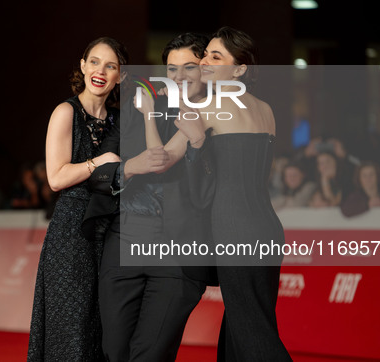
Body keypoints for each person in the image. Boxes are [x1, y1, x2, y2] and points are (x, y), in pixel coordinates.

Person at [171, 26, 292, 361]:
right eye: (205, 54)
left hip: (235, 229)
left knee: (253, 330)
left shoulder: (209, 106)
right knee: (247, 323)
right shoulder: (266, 109)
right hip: (268, 228)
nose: (204, 62)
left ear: (239, 69)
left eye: (215, 56)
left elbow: (165, 159)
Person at [93, 33, 215, 362]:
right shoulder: (141, 102)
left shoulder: (220, 109)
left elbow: (162, 162)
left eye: (189, 67)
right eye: (172, 69)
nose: (179, 76)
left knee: (149, 354)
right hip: (125, 241)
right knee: (114, 352)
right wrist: (127, 167)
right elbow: (100, 170)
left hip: (178, 249)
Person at [27, 37, 126, 362]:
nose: (101, 70)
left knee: (101, 331)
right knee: (70, 330)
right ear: (83, 66)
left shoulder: (120, 119)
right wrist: (99, 161)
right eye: (94, 62)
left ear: (120, 76)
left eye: (110, 65)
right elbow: (55, 178)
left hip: (111, 233)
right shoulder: (65, 112)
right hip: (71, 236)